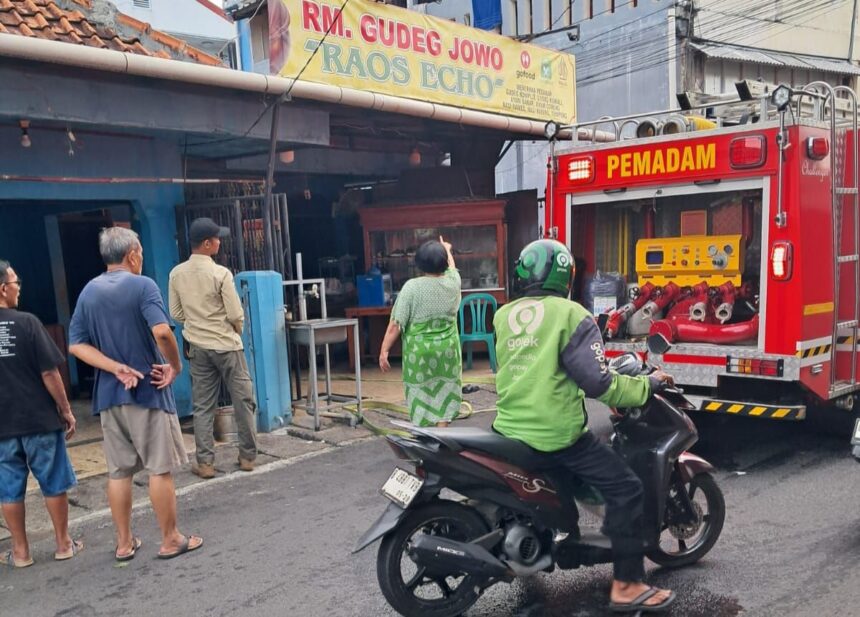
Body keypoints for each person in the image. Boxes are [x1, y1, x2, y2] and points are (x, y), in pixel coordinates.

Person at [492, 239, 677, 614]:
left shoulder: (503, 314)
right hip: (554, 435)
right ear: (566, 275)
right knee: (625, 488)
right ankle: (627, 584)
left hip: (509, 428)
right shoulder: (573, 315)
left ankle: (562, 537)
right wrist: (647, 385)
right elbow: (600, 384)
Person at [69, 227, 202, 561]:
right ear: (132, 254)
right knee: (159, 468)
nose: (141, 256)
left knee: (119, 472)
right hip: (148, 390)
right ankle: (171, 539)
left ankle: (124, 543)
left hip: (110, 396)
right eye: (140, 251)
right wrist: (175, 366)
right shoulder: (143, 285)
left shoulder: (89, 291)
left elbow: (76, 345)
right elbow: (162, 332)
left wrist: (114, 368)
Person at [0, 260, 82, 567]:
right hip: (39, 420)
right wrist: (66, 410)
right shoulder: (28, 323)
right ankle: (63, 544)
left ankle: (20, 552)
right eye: (16, 282)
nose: (19, 288)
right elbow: (50, 373)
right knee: (53, 482)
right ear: (3, 289)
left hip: (2, 427)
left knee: (9, 489)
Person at [168, 217, 258, 479]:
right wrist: (235, 332)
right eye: (217, 238)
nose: (220, 242)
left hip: (197, 346)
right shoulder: (221, 273)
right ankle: (247, 457)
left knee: (203, 406)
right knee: (243, 400)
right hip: (227, 345)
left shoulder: (176, 273)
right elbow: (235, 312)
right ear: (207, 244)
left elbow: (175, 313)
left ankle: (205, 463)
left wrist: (197, 324)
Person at [379, 237, 462, 427]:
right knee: (445, 389)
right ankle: (442, 433)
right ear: (444, 262)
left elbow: (396, 324)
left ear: (419, 263)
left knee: (421, 391)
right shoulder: (453, 283)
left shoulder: (412, 287)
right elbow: (452, 268)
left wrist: (384, 350)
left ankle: (425, 434)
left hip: (419, 354)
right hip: (447, 351)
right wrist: (447, 248)